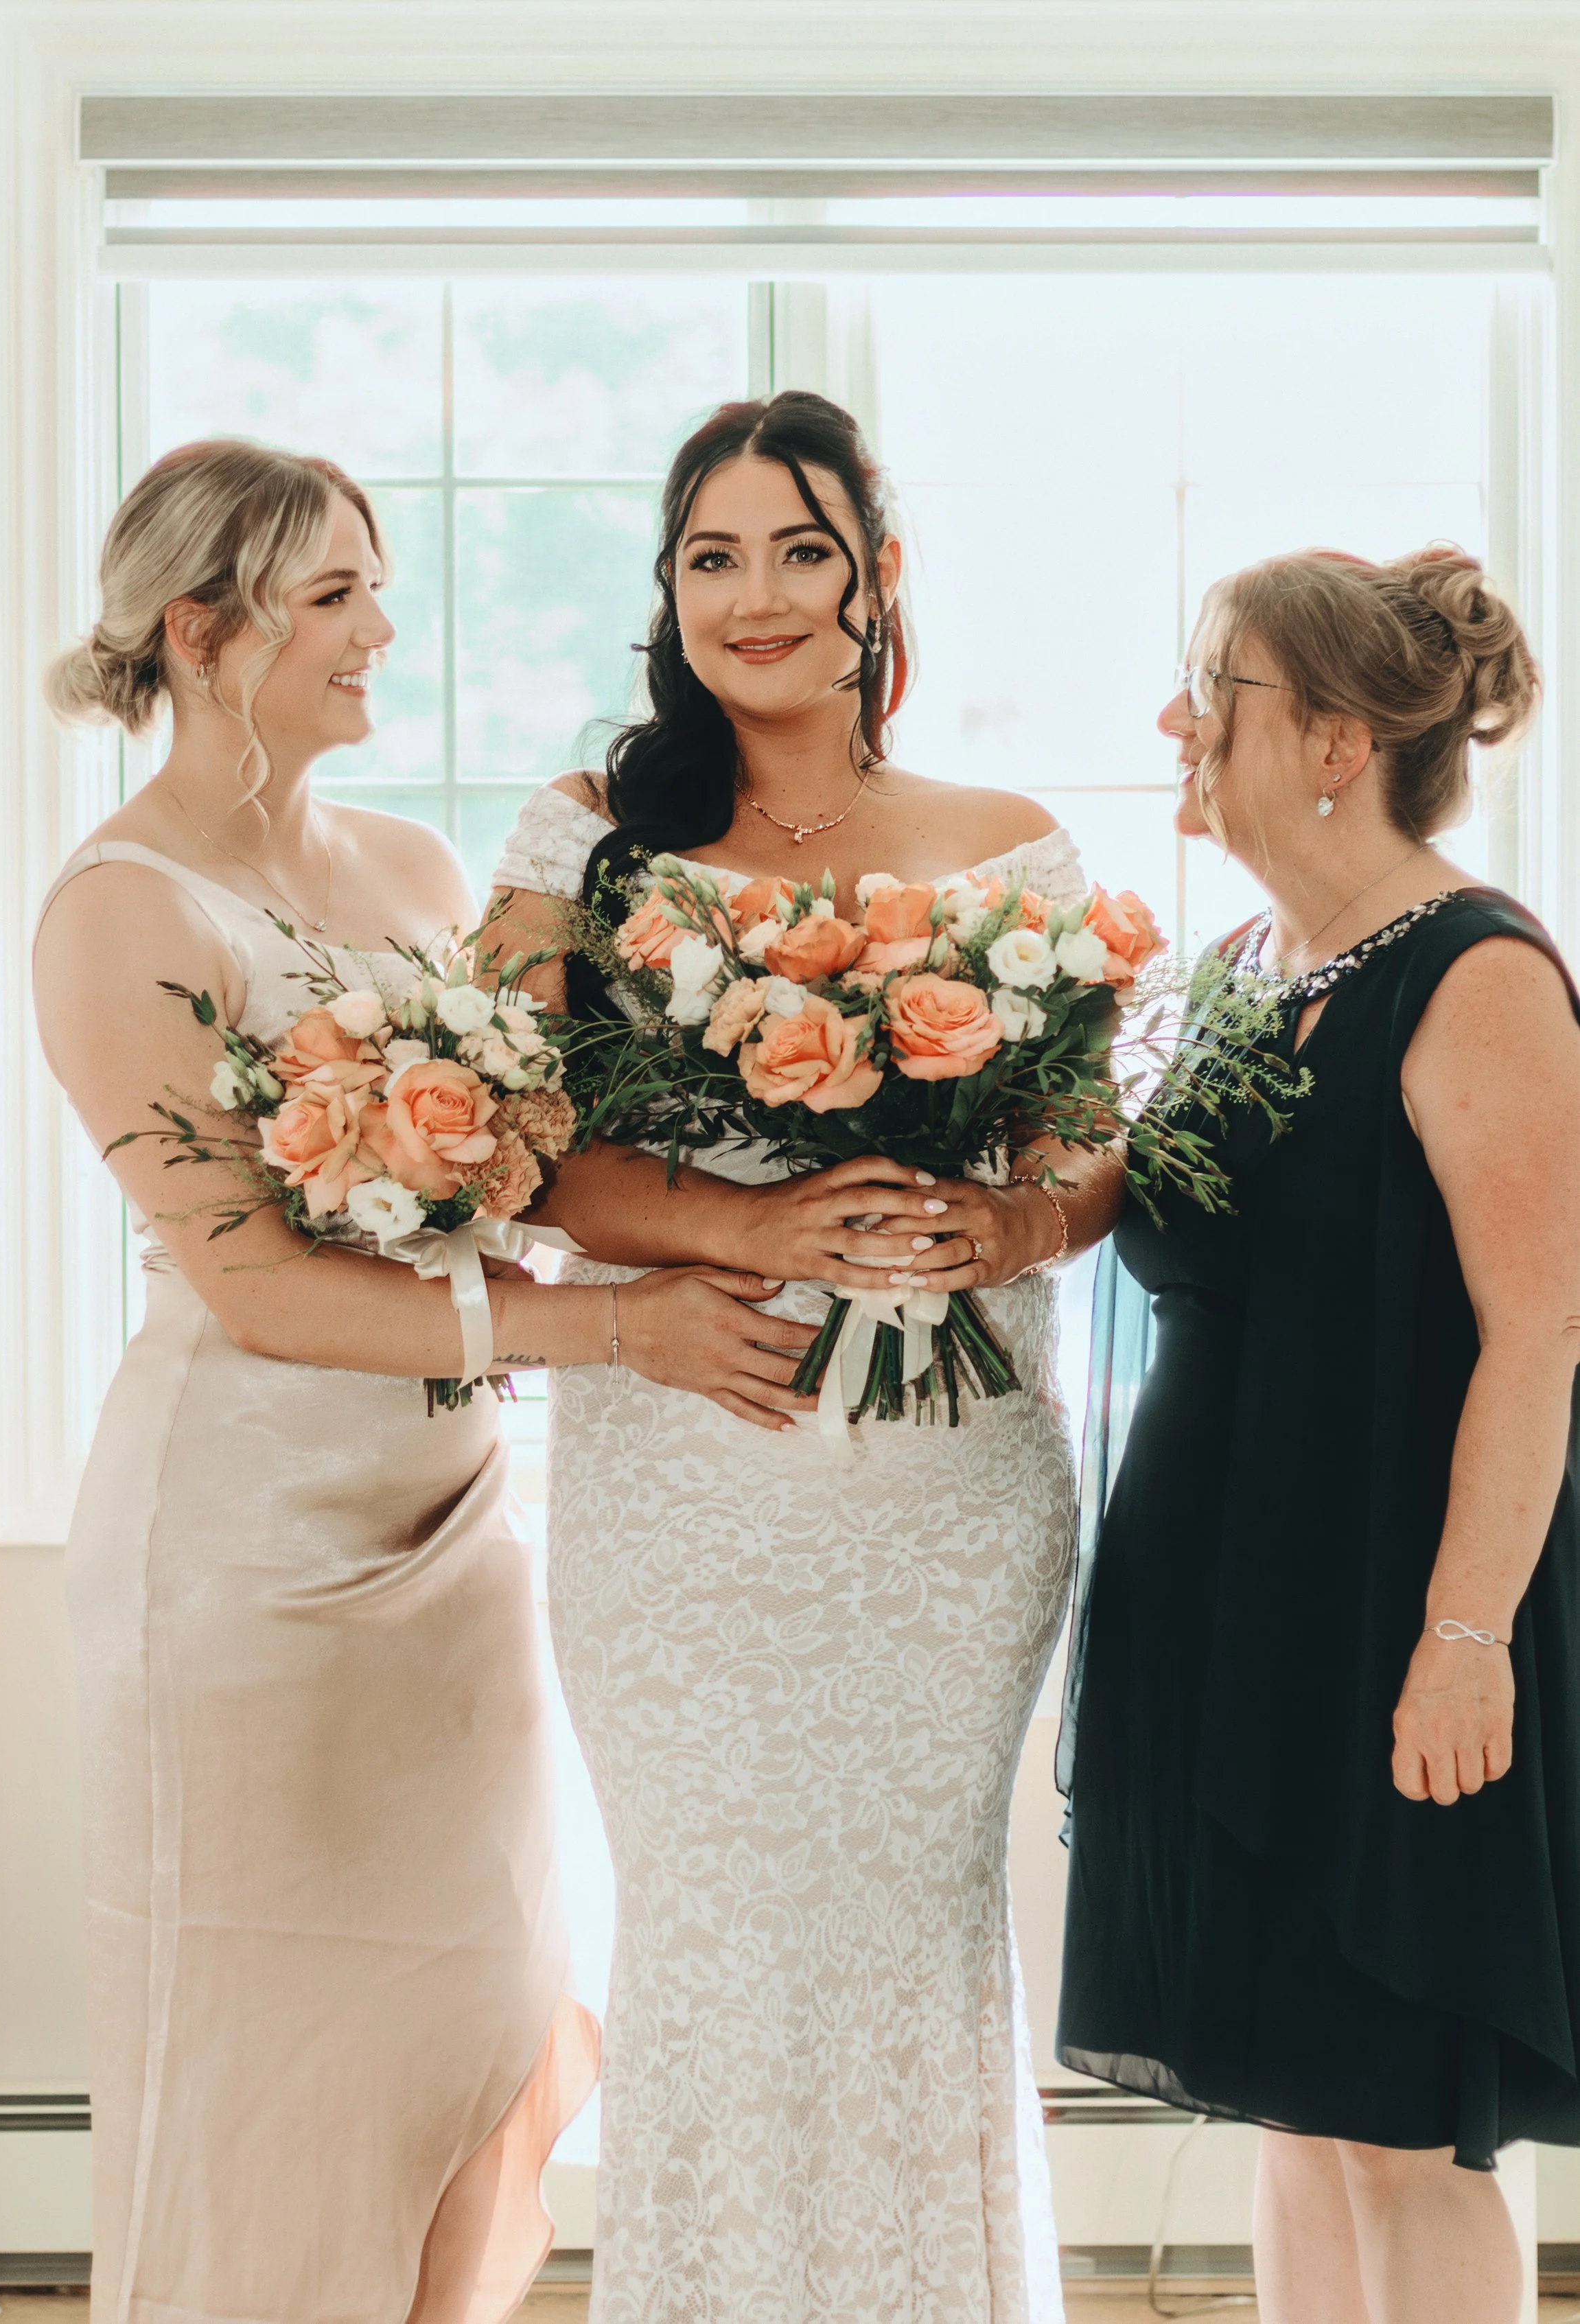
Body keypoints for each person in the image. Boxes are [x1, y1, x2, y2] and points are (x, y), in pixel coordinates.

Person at [34, 439, 811, 2324]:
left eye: (377, 583)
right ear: (198, 633)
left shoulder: (411, 867)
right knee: (275, 2068)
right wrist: (616, 1333)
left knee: (473, 2022)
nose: (385, 626)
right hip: (248, 1559)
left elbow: (528, 1167)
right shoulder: (118, 914)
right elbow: (261, 1289)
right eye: (333, 598)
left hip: (451, 1535)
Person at [487, 391, 1122, 2323]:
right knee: (711, 1937)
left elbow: (1089, 1147)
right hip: (687, 1484)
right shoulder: (585, 840)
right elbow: (516, 1146)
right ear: (666, 594)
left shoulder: (1012, 852)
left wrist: (1016, 1222)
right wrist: (742, 1221)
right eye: (710, 557)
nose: (753, 594)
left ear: (873, 577)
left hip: (947, 1506)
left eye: (796, 549)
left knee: (917, 1944)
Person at [1056, 545, 1580, 2324]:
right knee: (1284, 2096)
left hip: (1384, 1616)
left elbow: (1540, 1336)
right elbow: (1129, 1214)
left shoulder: (1477, 973)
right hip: (1218, 1621)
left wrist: (1461, 1637)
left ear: (1338, 736)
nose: (1173, 725)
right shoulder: (1241, 963)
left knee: (1388, 2119)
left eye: (1217, 691)